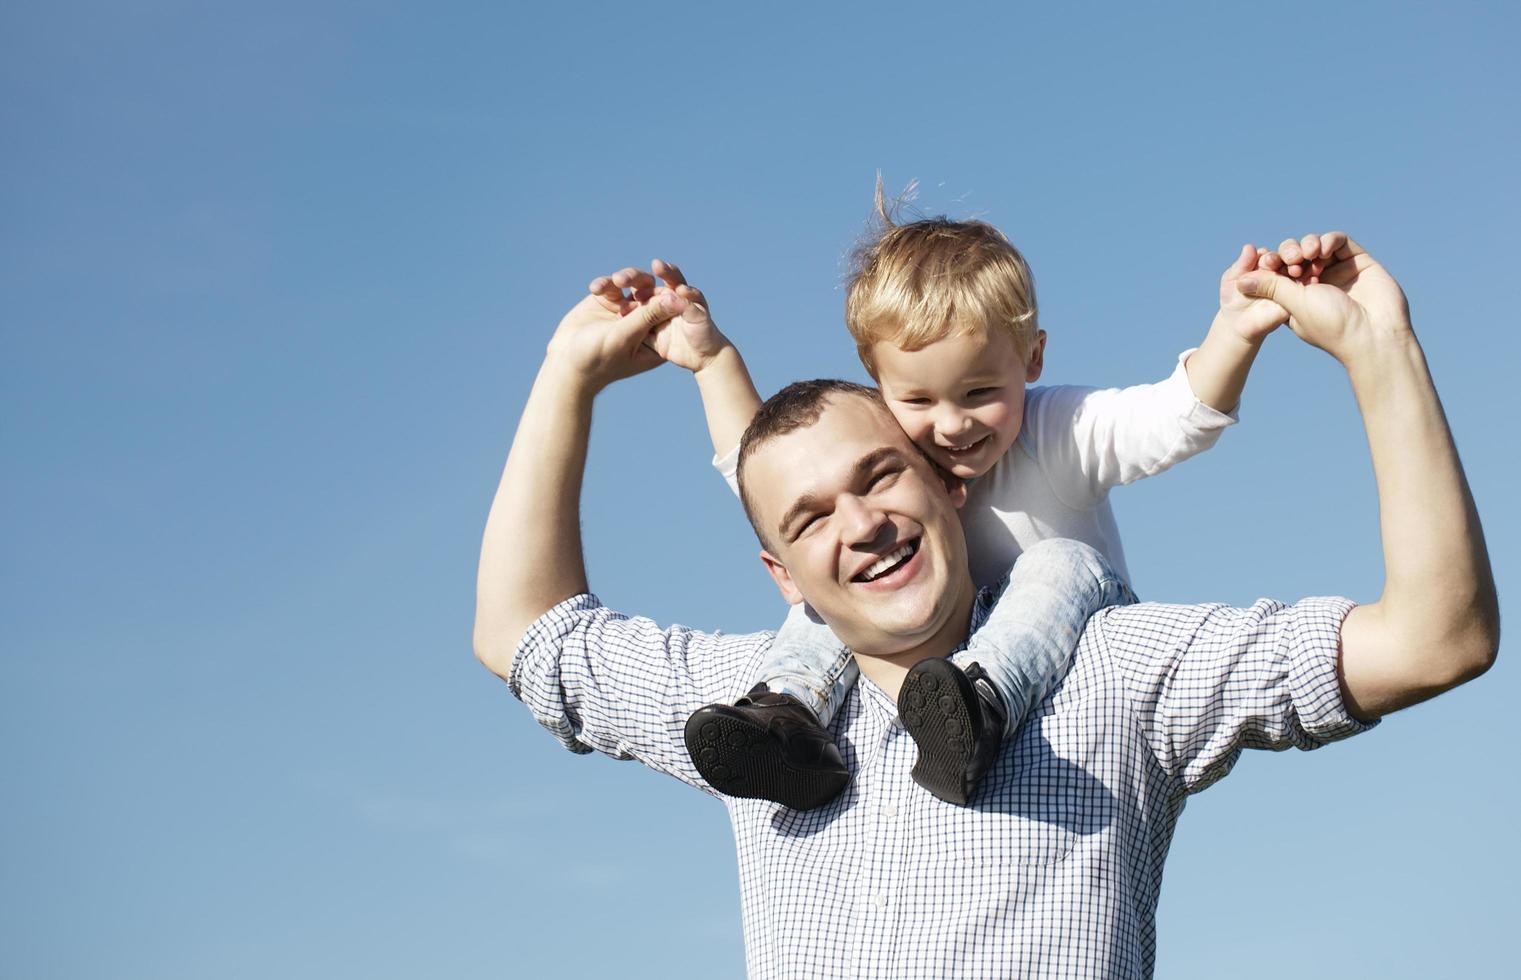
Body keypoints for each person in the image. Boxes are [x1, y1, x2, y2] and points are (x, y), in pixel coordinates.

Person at [473, 236, 1496, 978]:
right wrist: (570, 375)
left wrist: (1378, 349)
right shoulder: (740, 717)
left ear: (947, 482)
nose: (861, 522)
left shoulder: (1115, 673)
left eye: (881, 476)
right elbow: (525, 632)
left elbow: (1435, 640)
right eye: (812, 518)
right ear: (781, 571)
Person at [597, 212, 1337, 808]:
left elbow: (1174, 417)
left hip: (1057, 650)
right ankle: (786, 721)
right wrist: (712, 361)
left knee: (1057, 561)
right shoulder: (891, 453)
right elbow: (769, 477)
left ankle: (975, 709)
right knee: (819, 595)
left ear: (1033, 360)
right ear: (878, 381)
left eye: (980, 393)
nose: (951, 426)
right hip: (937, 674)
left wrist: (1237, 329)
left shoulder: (1055, 431)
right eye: (917, 399)